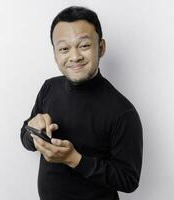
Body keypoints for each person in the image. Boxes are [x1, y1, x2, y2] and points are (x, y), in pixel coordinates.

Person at [20, 6, 143, 200]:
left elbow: (129, 180)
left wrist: (73, 159)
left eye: (84, 45)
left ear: (101, 47)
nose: (75, 56)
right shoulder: (49, 88)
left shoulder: (122, 112)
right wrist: (32, 131)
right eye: (64, 49)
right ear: (55, 54)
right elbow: (25, 138)